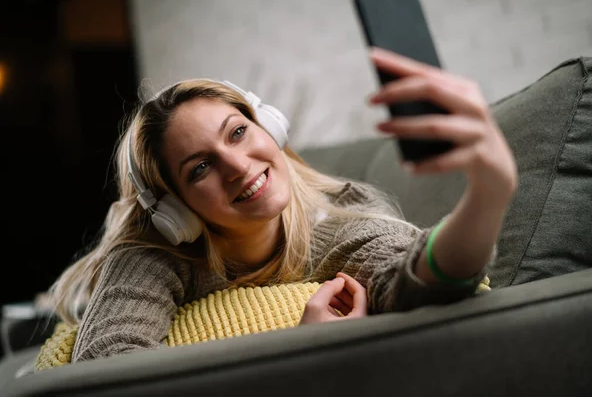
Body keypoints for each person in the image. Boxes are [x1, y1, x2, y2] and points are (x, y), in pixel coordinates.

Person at [47, 46, 518, 363]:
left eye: (237, 132)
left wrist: (489, 194)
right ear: (176, 210)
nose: (237, 165)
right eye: (199, 169)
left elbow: (415, 280)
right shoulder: (152, 254)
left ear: (269, 127)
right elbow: (107, 369)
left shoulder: (342, 215)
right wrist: (294, 347)